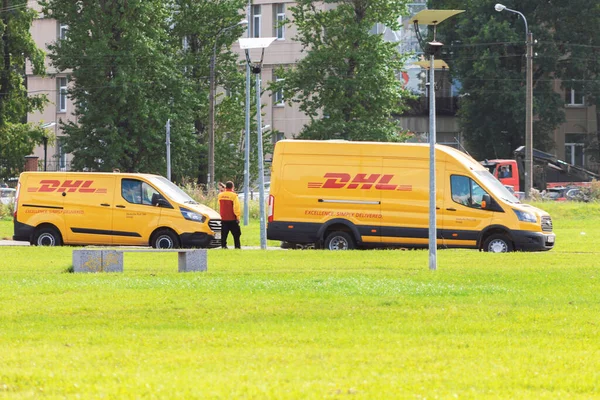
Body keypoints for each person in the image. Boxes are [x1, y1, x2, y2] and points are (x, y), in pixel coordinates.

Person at [217, 181, 242, 249]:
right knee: (236, 234)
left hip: (223, 218)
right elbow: (236, 207)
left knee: (224, 234)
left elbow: (219, 205)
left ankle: (223, 246)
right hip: (232, 218)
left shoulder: (220, 195)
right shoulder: (234, 196)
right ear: (232, 187)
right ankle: (237, 246)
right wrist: (238, 216)